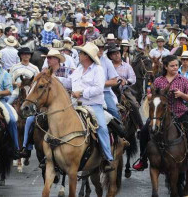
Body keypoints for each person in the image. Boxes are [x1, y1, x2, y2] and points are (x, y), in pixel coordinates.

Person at [133, 55, 188, 175]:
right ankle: (143, 159)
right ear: (165, 66)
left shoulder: (183, 80)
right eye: (172, 65)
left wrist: (181, 94)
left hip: (180, 112)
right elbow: (150, 95)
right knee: (144, 131)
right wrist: (152, 96)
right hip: (160, 114)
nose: (175, 67)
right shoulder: (158, 80)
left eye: (176, 65)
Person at [59, 42, 115, 171]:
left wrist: (82, 92)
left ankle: (108, 158)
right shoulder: (78, 69)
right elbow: (69, 82)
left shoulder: (98, 70)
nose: (79, 55)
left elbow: (98, 88)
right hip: (75, 104)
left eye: (81, 53)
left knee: (101, 127)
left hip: (93, 105)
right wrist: (55, 79)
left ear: (87, 56)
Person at [20, 49, 71, 158]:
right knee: (30, 120)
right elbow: (34, 89)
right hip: (45, 105)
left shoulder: (68, 71)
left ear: (57, 59)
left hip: (63, 105)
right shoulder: (42, 73)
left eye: (50, 58)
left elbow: (73, 85)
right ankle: (26, 146)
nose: (48, 60)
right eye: (47, 58)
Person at [94, 39, 120, 119]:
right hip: (87, 93)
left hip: (104, 92)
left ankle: (120, 129)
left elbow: (114, 81)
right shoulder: (87, 61)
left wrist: (100, 84)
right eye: (99, 48)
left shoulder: (107, 61)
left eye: (102, 48)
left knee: (113, 111)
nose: (101, 50)